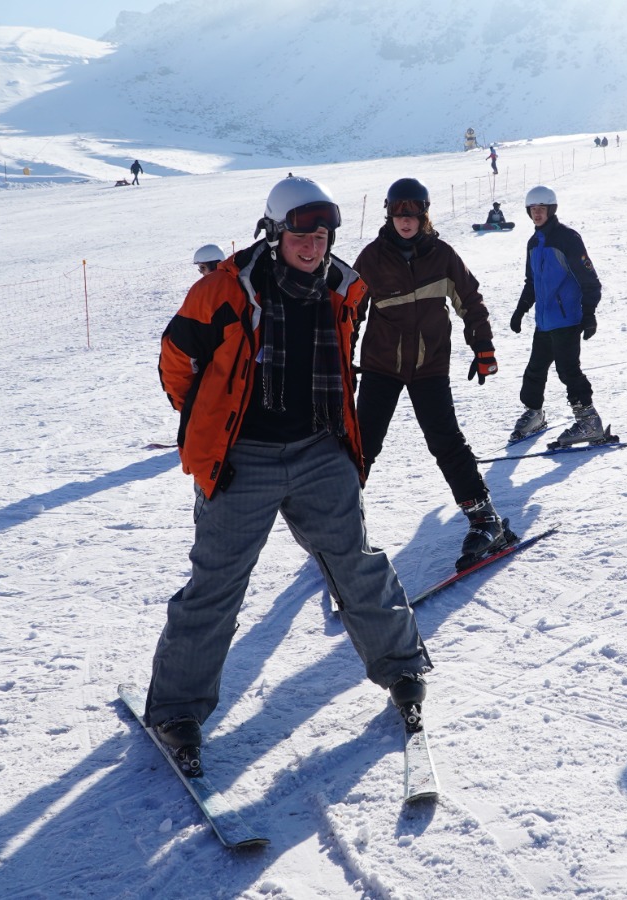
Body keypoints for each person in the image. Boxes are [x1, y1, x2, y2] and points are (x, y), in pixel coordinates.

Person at [146, 175, 433, 775]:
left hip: (319, 446)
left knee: (355, 561)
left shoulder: (342, 288)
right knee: (217, 584)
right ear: (276, 233)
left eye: (322, 232)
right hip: (242, 458)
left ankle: (402, 666)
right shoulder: (225, 291)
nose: (313, 244)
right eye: (302, 232)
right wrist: (207, 419)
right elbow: (177, 361)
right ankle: (176, 709)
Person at [352, 178, 513, 568]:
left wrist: (483, 348)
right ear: (389, 214)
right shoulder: (372, 259)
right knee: (361, 443)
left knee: (445, 441)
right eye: (397, 213)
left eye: (412, 214)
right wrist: (339, 361)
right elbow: (348, 315)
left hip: (429, 367)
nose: (404, 221)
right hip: (381, 366)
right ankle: (339, 521)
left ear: (424, 215)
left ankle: (484, 518)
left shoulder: (442, 255)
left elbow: (470, 302)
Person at [509, 185, 605, 445]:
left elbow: (589, 279)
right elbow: (532, 282)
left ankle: (589, 422)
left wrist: (589, 314)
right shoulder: (533, 243)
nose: (537, 213)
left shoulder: (568, 238)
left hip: (567, 319)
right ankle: (535, 414)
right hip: (544, 321)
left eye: (542, 209)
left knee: (568, 371)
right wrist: (520, 310)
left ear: (551, 210)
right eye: (533, 209)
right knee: (535, 370)